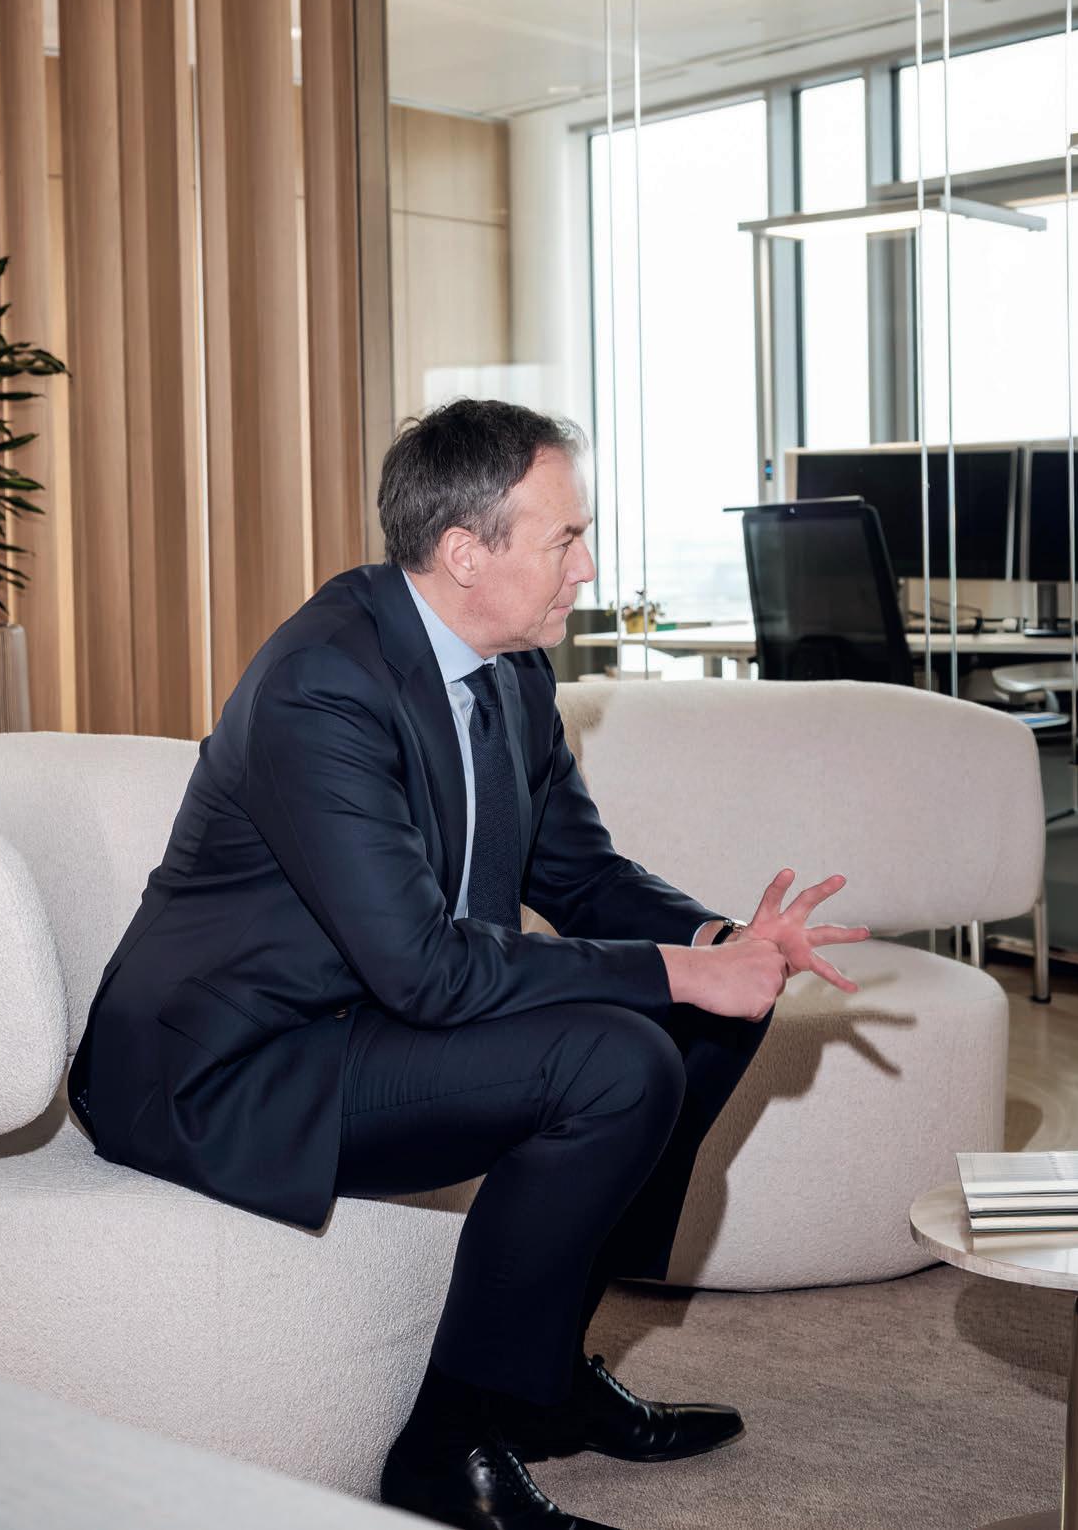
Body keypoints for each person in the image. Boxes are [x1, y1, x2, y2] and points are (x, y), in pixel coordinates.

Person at [68, 397, 869, 1530]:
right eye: (564, 539)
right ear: (463, 552)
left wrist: (715, 944)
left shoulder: (509, 668)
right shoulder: (321, 684)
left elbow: (578, 871)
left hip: (368, 1018)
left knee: (704, 1014)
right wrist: (674, 971)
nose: (586, 568)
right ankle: (445, 1452)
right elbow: (424, 971)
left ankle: (540, 1383)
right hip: (234, 1067)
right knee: (617, 1059)